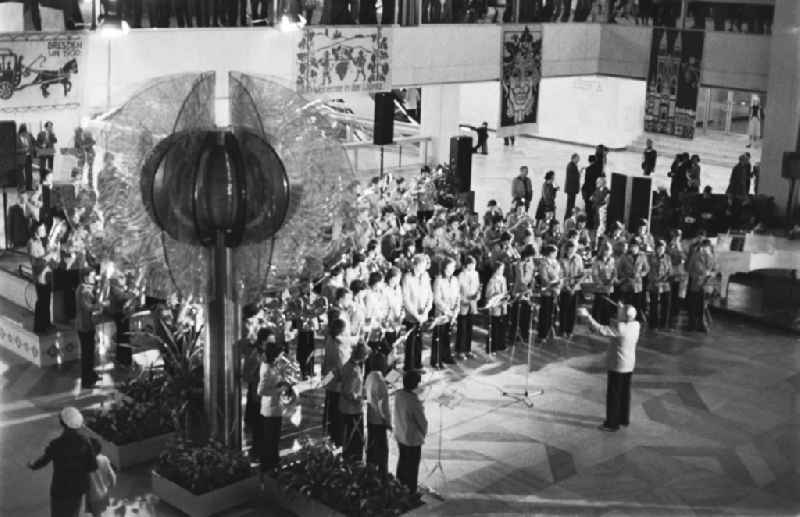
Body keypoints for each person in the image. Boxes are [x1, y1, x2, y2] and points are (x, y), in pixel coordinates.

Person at [578, 304, 640, 432]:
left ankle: (612, 424)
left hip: (618, 365)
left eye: (621, 312)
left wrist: (587, 316)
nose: (618, 313)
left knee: (614, 395)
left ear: (624, 316)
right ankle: (623, 419)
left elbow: (600, 329)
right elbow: (626, 318)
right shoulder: (636, 325)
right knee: (624, 393)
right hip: (629, 364)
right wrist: (623, 309)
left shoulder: (620, 328)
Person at [28, 407, 98, 517]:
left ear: (62, 423)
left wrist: (32, 465)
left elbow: (43, 461)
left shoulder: (56, 444)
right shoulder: (85, 442)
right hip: (78, 489)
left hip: (60, 489)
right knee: (74, 513)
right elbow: (93, 466)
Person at [258, 337, 291, 474]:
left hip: (276, 408)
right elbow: (261, 391)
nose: (281, 357)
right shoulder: (266, 369)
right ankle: (268, 465)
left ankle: (273, 462)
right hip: (270, 409)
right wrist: (280, 389)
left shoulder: (273, 366)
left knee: (274, 437)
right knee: (270, 438)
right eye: (280, 355)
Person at [393, 370, 427, 494]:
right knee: (412, 467)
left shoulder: (399, 394)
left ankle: (399, 485)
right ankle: (411, 490)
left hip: (400, 434)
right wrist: (423, 433)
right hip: (412, 439)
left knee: (402, 462)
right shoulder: (414, 401)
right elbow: (422, 422)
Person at [402, 254, 432, 371]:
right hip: (412, 315)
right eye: (422, 265)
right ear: (416, 265)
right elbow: (406, 299)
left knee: (419, 340)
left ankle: (418, 364)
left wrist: (427, 309)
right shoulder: (407, 277)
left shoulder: (426, 276)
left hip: (423, 314)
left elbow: (429, 294)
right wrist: (416, 315)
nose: (425, 267)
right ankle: (409, 366)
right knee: (411, 341)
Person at [323, 316, 350, 446]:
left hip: (329, 381)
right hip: (338, 385)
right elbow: (341, 368)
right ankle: (338, 441)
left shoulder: (329, 340)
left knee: (330, 410)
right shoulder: (340, 347)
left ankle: (329, 436)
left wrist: (325, 381)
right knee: (338, 414)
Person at [340, 342, 368, 463]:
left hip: (345, 407)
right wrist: (362, 398)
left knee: (349, 436)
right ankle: (354, 460)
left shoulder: (347, 365)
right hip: (353, 409)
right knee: (355, 438)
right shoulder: (353, 370)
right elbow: (349, 392)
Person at [75, 268, 101, 389]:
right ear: (85, 277)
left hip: (88, 324)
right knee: (87, 354)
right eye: (92, 275)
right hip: (84, 326)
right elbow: (88, 307)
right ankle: (86, 381)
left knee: (90, 352)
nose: (94, 277)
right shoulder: (83, 291)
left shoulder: (87, 288)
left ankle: (92, 375)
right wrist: (100, 305)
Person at [432, 257, 459, 368]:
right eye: (450, 267)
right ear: (444, 267)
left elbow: (458, 296)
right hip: (442, 313)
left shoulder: (455, 280)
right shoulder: (438, 280)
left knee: (447, 336)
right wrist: (447, 311)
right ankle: (436, 360)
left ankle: (446, 356)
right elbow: (437, 299)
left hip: (451, 312)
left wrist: (456, 309)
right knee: (439, 336)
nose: (452, 269)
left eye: (453, 267)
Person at [30, 222, 56, 334]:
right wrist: (48, 256)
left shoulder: (41, 241)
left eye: (45, 228)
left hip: (47, 275)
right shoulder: (32, 243)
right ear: (36, 230)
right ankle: (39, 327)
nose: (45, 230)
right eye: (42, 229)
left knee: (46, 301)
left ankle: (47, 324)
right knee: (42, 302)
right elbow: (35, 263)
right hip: (40, 277)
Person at [365, 368, 391, 475]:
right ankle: (382, 474)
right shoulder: (381, 382)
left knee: (371, 447)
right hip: (379, 420)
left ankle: (370, 470)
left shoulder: (370, 375)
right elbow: (383, 406)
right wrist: (387, 421)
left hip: (371, 417)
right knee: (382, 451)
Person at [616, 238, 649, 322]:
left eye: (635, 246)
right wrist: (626, 276)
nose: (633, 248)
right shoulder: (624, 256)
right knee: (626, 303)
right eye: (631, 246)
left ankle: (636, 320)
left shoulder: (642, 256)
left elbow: (646, 269)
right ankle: (624, 319)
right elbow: (619, 270)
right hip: (626, 283)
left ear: (638, 247)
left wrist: (640, 274)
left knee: (637, 304)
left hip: (637, 284)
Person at [686, 239, 716, 333]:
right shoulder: (695, 256)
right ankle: (692, 324)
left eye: (708, 247)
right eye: (704, 247)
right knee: (693, 305)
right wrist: (698, 276)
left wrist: (710, 274)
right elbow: (688, 268)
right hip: (696, 283)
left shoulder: (712, 257)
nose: (706, 249)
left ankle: (701, 324)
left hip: (707, 284)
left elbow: (715, 269)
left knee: (703, 305)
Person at [510, 245, 536, 343]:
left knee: (526, 315)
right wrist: (526, 290)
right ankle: (514, 335)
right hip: (519, 291)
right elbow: (521, 280)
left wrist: (531, 287)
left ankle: (524, 334)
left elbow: (532, 276)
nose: (531, 258)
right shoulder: (519, 264)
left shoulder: (531, 263)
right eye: (530, 256)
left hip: (527, 291)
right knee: (516, 315)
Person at [559, 240, 584, 339]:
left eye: (573, 250)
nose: (571, 252)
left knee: (573, 310)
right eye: (569, 250)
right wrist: (567, 286)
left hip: (575, 287)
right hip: (565, 288)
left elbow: (581, 273)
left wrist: (575, 285)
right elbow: (560, 275)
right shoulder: (561, 260)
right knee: (564, 309)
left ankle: (570, 330)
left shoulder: (578, 258)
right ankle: (562, 330)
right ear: (566, 250)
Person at [456, 255, 480, 359]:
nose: (474, 267)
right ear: (467, 265)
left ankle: (468, 349)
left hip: (472, 303)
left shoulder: (476, 274)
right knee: (462, 327)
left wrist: (477, 295)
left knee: (470, 327)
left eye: (475, 265)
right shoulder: (461, 275)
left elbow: (477, 287)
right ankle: (460, 350)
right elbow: (458, 291)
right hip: (463, 303)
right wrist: (464, 299)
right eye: (472, 265)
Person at [86, 438, 116, 517]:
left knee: (96, 514)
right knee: (99, 512)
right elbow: (112, 474)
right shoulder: (104, 459)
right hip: (104, 492)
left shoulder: (87, 463)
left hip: (93, 495)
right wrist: (112, 484)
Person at [537, 244, 562, 340]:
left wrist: (558, 283)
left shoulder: (556, 262)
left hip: (555, 291)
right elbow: (543, 278)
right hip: (547, 291)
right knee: (545, 313)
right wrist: (552, 284)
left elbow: (560, 274)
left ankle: (550, 332)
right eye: (555, 252)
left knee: (553, 313)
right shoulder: (543, 263)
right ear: (550, 253)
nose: (556, 254)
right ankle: (542, 334)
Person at [647, 239, 672, 330]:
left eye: (663, 248)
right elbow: (648, 269)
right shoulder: (651, 257)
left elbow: (670, 270)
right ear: (656, 248)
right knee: (653, 305)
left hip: (665, 284)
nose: (661, 250)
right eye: (659, 248)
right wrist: (655, 280)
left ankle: (664, 324)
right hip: (654, 283)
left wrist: (664, 279)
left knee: (666, 304)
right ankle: (653, 324)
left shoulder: (667, 257)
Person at [485, 261, 508, 354]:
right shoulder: (492, 280)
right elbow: (488, 294)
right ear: (496, 270)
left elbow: (505, 291)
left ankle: (501, 344)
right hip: (495, 306)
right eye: (501, 269)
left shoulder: (503, 278)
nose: (502, 271)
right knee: (494, 327)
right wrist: (496, 296)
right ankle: (492, 347)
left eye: (503, 269)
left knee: (501, 326)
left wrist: (505, 296)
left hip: (502, 305)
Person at [591, 241, 617, 325]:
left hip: (609, 287)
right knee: (598, 306)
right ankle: (595, 324)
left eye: (608, 250)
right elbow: (595, 275)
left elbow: (614, 272)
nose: (607, 252)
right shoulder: (596, 261)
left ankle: (605, 323)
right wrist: (602, 285)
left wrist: (611, 282)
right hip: (599, 287)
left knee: (607, 306)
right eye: (605, 250)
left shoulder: (612, 260)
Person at [666, 229, 687, 329]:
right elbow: (667, 256)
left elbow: (684, 257)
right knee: (670, 291)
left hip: (679, 272)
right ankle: (669, 310)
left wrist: (679, 248)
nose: (676, 237)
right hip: (671, 271)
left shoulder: (681, 246)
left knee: (677, 291)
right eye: (675, 236)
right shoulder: (669, 245)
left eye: (678, 236)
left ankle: (675, 310)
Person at [564, 154, 581, 219]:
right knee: (570, 205)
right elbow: (572, 177)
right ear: (573, 158)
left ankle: (569, 218)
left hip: (571, 189)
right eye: (577, 158)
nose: (578, 160)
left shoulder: (572, 165)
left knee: (571, 205)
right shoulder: (571, 165)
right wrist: (579, 173)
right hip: (571, 189)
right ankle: (567, 219)